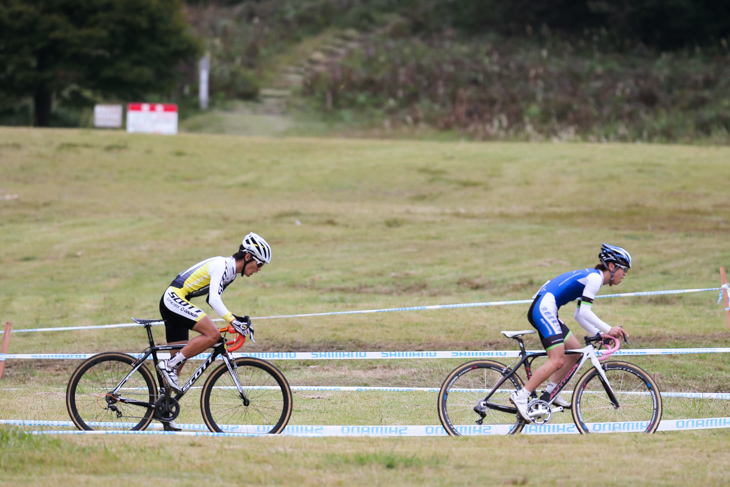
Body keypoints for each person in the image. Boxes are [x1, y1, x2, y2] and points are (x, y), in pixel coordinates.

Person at [155, 232, 272, 429]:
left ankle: (163, 412)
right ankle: (167, 365)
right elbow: (215, 300)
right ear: (248, 257)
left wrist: (237, 319)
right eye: (259, 264)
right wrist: (232, 320)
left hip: (178, 301)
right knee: (212, 335)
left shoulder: (231, 274)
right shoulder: (221, 265)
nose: (259, 269)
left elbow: (212, 299)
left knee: (177, 367)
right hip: (174, 298)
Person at [509, 243, 631, 422]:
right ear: (612, 267)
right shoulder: (595, 278)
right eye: (624, 269)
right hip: (544, 309)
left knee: (573, 351)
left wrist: (598, 334)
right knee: (557, 359)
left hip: (546, 308)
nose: (625, 274)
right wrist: (608, 329)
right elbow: (584, 313)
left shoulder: (593, 277)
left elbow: (579, 315)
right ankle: (521, 396)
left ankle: (550, 394)